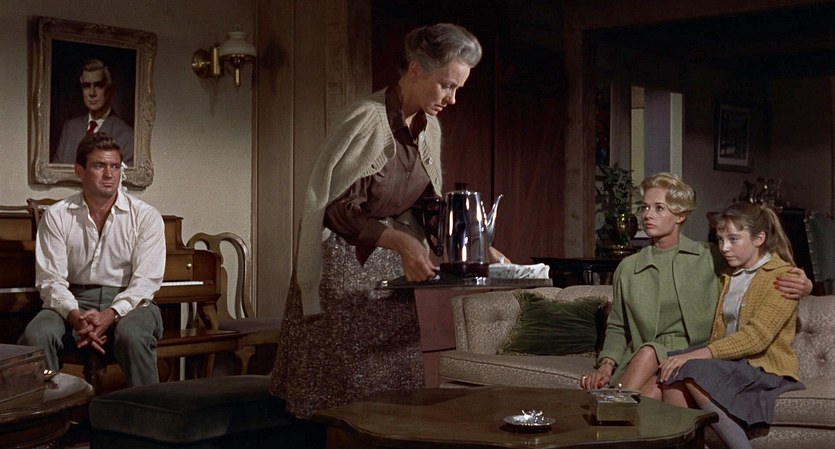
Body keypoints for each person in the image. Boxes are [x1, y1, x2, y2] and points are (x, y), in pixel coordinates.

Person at [269, 23, 501, 418]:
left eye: (458, 88)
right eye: (447, 86)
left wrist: (476, 244)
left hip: (393, 271)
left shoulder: (430, 129)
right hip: (344, 270)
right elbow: (336, 208)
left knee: (396, 389)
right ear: (415, 70)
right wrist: (402, 243)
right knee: (344, 395)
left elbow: (427, 206)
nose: (452, 98)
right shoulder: (366, 119)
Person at [580, 172, 810, 397]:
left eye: (659, 208)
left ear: (680, 215)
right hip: (644, 356)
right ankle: (614, 410)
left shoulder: (710, 256)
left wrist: (805, 285)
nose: (648, 215)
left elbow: (756, 264)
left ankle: (611, 407)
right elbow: (618, 326)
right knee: (649, 368)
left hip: (693, 354)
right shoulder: (628, 268)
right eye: (645, 207)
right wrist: (606, 364)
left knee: (652, 379)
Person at [19, 132, 165, 387]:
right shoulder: (57, 216)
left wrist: (110, 314)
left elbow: (145, 283)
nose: (109, 174)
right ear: (80, 170)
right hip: (73, 299)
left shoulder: (146, 216)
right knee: (36, 335)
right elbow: (51, 280)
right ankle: (51, 409)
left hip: (132, 302)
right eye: (99, 166)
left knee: (132, 335)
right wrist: (76, 317)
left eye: (115, 167)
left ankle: (150, 410)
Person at [658, 202, 805, 449]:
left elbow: (756, 338)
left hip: (763, 366)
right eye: (720, 239)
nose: (724, 247)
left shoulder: (783, 277)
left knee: (693, 369)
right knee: (670, 368)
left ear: (759, 238)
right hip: (730, 362)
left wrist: (696, 355)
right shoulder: (727, 274)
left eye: (734, 239)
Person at [54, 59, 134, 165]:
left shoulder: (127, 136)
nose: (92, 93)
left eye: (99, 85)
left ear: (109, 90)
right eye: (87, 86)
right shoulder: (69, 128)